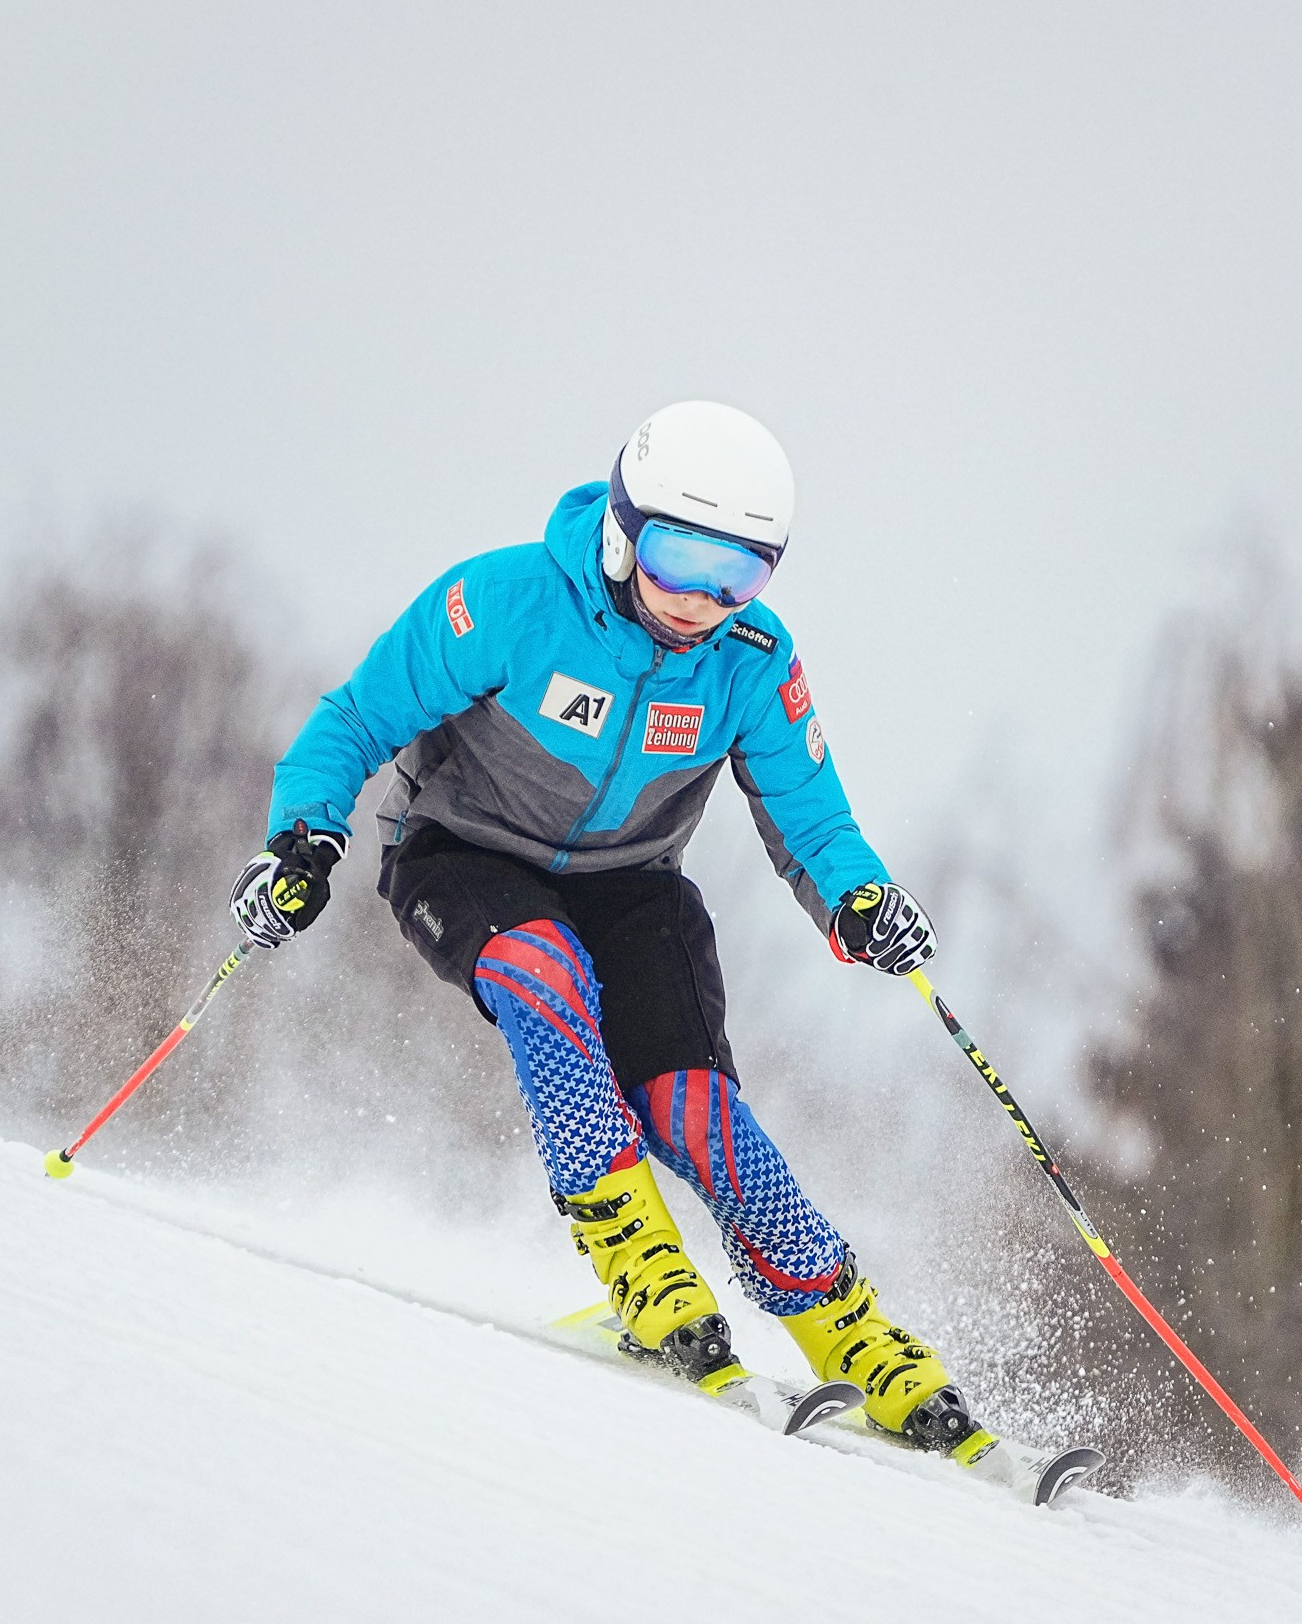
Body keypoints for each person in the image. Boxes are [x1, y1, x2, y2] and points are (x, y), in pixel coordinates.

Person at [229, 400, 976, 1449]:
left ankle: (852, 1331)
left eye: (740, 576)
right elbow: (355, 717)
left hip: (629, 884)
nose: (701, 602)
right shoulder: (506, 600)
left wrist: (860, 901)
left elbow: (810, 817)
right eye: (679, 561)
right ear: (625, 532)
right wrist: (302, 838)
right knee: (543, 971)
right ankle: (643, 1268)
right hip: (464, 852)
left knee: (694, 1108)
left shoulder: (749, 659)